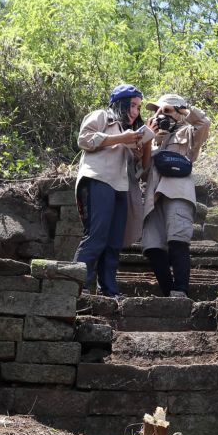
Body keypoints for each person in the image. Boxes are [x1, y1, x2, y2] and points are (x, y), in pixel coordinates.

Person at [74, 84, 154, 297]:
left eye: (138, 107)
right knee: (96, 236)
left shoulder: (130, 133)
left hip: (122, 187)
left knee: (114, 243)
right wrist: (122, 139)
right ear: (122, 103)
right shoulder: (102, 116)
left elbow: (141, 170)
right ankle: (76, 287)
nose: (136, 111)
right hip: (98, 180)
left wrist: (146, 143)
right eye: (133, 105)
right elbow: (84, 139)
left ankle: (109, 291)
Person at [140, 94, 210, 298]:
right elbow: (141, 169)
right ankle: (167, 292)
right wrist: (148, 138)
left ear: (179, 112)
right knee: (152, 246)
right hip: (153, 196)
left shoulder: (188, 132)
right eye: (158, 111)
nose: (160, 114)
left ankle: (180, 291)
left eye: (166, 110)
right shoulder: (150, 138)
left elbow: (204, 123)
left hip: (178, 192)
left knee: (177, 240)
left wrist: (184, 111)